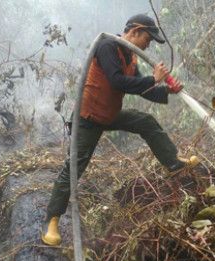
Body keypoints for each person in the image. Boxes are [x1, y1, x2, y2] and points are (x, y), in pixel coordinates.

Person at [42, 14, 197, 246]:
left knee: (146, 122)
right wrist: (152, 79)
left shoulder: (130, 55)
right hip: (89, 117)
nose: (148, 44)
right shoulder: (107, 46)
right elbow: (117, 81)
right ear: (134, 31)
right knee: (75, 165)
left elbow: (140, 88)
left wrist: (165, 91)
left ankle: (173, 163)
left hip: (110, 114)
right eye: (147, 38)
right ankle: (52, 221)